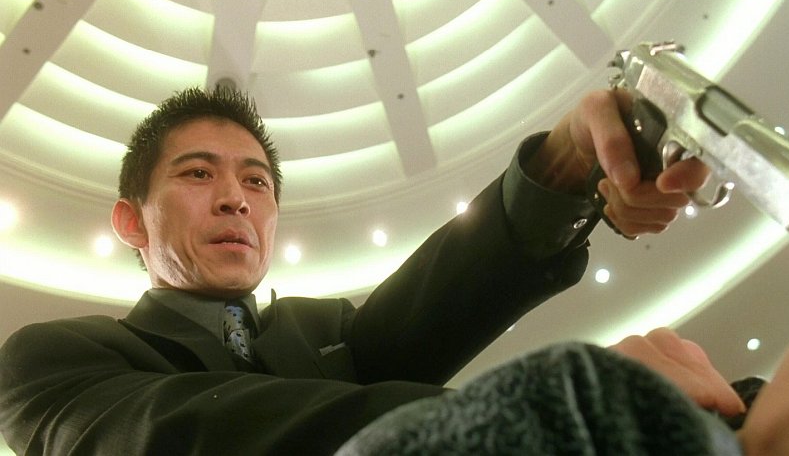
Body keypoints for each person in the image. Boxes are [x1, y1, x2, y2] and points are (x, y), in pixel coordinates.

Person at [0, 86, 724, 455]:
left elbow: (446, 290)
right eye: (197, 173)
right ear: (131, 221)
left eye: (257, 182)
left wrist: (566, 163)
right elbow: (177, 437)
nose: (235, 199)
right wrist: (555, 406)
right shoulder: (53, 358)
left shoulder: (327, 333)